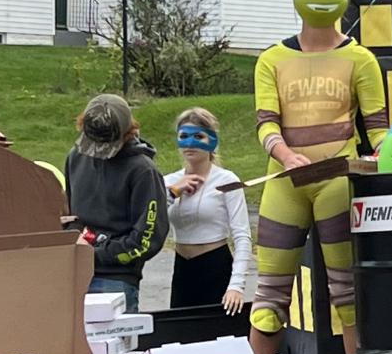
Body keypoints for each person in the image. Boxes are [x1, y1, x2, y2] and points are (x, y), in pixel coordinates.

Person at [249, 0, 388, 354]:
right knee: (269, 296)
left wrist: (386, 154)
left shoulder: (360, 58)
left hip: (337, 180)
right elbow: (266, 122)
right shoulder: (271, 58)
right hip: (285, 181)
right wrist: (286, 155)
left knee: (347, 294)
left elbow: (377, 127)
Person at [65, 93, 168, 312]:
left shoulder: (143, 171)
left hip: (115, 280)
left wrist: (96, 254)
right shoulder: (76, 157)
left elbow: (146, 240)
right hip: (73, 274)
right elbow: (69, 211)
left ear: (128, 132)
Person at [166, 106, 253, 319]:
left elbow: (242, 235)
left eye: (198, 136)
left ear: (212, 140)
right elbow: (149, 219)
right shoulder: (168, 181)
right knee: (180, 337)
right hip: (182, 268)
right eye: (184, 136)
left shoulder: (226, 181)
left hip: (214, 264)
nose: (190, 143)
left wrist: (236, 285)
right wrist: (173, 192)